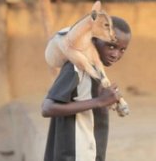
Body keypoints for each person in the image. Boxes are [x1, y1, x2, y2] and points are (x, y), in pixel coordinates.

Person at [41, 16, 132, 161]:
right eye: (111, 46)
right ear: (94, 39)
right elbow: (48, 108)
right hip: (73, 155)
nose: (116, 54)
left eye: (122, 50)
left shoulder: (97, 71)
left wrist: (107, 100)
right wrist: (99, 101)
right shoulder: (76, 68)